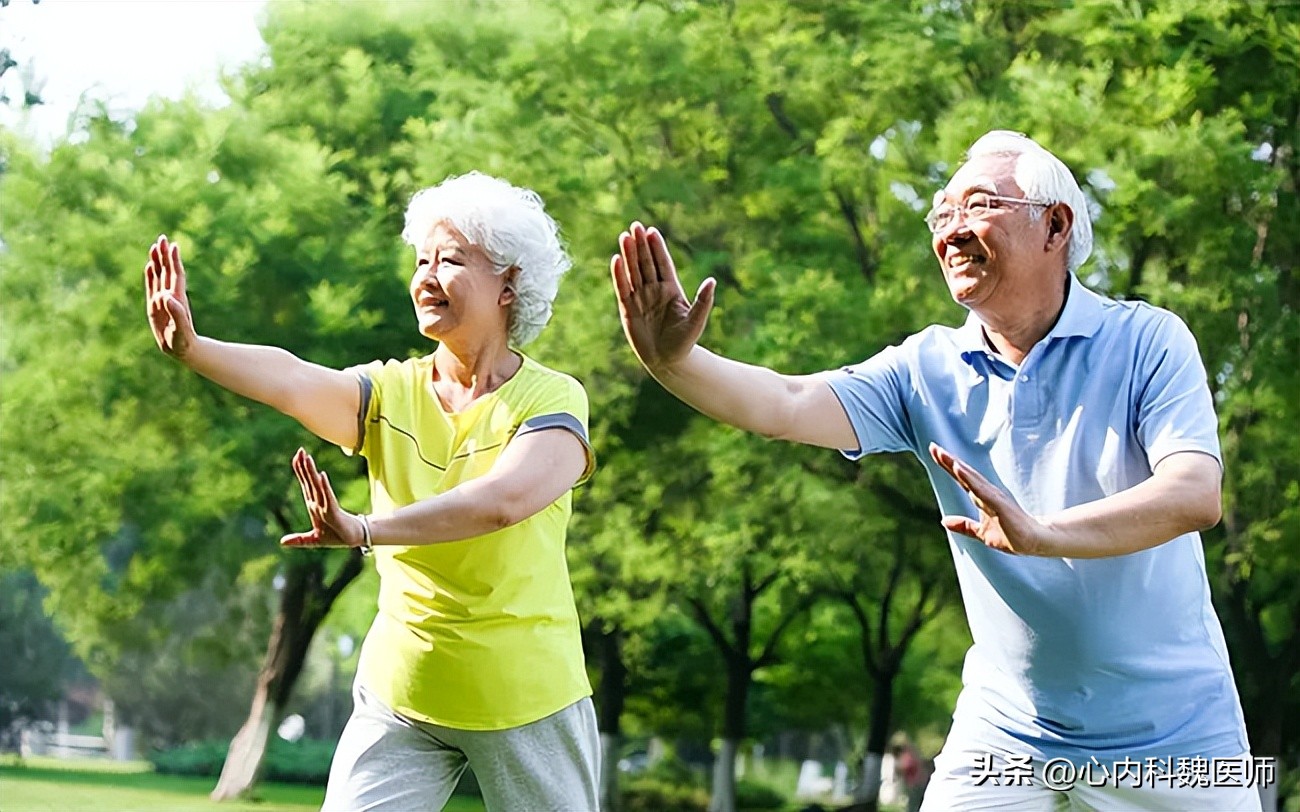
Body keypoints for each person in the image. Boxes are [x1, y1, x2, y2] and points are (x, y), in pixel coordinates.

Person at [609, 130, 1261, 811]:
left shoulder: (1148, 340)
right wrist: (675, 363)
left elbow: (1193, 492)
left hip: (1170, 730)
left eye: (978, 206)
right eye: (942, 214)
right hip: (1009, 727)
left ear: (1056, 225)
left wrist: (1042, 533)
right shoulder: (925, 369)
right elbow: (788, 403)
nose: (952, 231)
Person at [145, 172, 600, 812]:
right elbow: (293, 380)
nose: (427, 275)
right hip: (404, 697)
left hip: (525, 695)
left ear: (509, 282)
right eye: (421, 260)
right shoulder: (390, 392)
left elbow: (503, 501)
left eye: (451, 259)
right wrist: (196, 349)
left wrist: (365, 530)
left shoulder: (553, 399)